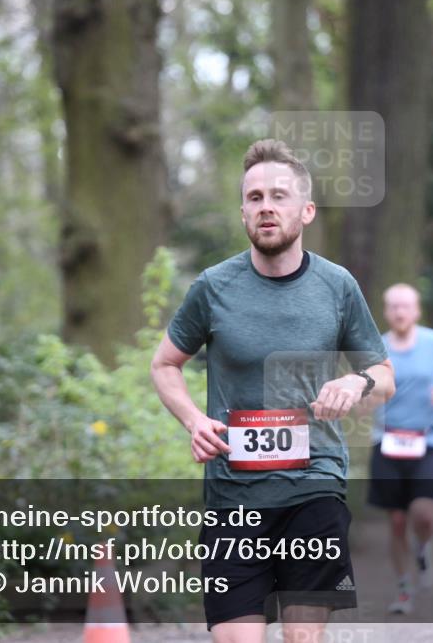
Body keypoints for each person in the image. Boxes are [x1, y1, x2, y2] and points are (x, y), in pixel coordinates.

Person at [150, 139, 395, 643]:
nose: (266, 206)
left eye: (278, 196)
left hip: (315, 486)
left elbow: (385, 376)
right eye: (255, 197)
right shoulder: (214, 287)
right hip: (231, 496)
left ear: (305, 210)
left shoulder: (337, 286)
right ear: (243, 211)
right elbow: (165, 364)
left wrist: (355, 381)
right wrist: (194, 420)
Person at [367, 283, 433, 614]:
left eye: (405, 306)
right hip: (387, 440)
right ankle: (403, 589)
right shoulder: (375, 347)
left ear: (417, 310)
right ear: (385, 311)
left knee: (423, 515)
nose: (399, 312)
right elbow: (364, 392)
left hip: (427, 441)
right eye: (393, 306)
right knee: (396, 522)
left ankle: (424, 547)